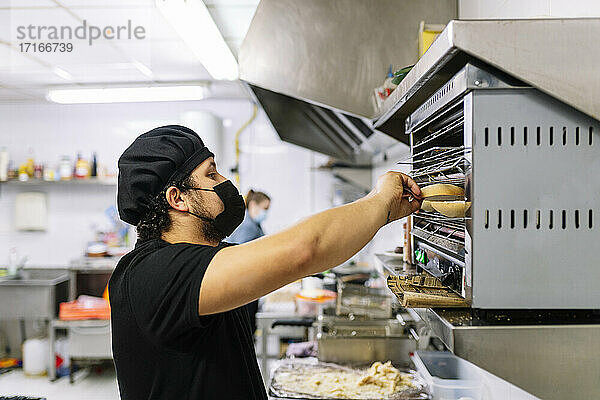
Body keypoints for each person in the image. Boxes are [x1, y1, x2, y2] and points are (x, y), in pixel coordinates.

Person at [109, 125, 422, 400]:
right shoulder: (153, 273)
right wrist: (380, 201)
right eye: (211, 174)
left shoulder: (204, 260)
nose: (224, 182)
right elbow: (306, 250)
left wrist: (383, 214)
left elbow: (310, 251)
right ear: (178, 198)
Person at [228, 189, 271, 334]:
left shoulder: (252, 224)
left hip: (246, 286)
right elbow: (241, 259)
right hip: (242, 286)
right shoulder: (247, 227)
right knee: (245, 329)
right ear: (253, 205)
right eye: (265, 209)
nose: (266, 213)